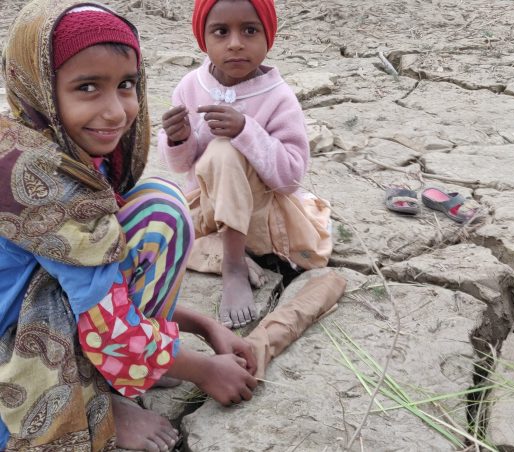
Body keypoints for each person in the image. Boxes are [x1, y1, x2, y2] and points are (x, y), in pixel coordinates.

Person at [0, 1, 258, 450]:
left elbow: (94, 282)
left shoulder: (53, 146)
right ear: (40, 86)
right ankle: (102, 398)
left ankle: (140, 363)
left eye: (125, 85)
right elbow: (104, 322)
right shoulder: (44, 181)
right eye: (87, 87)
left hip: (40, 310)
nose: (117, 111)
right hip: (15, 357)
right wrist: (203, 369)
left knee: (158, 207)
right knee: (159, 217)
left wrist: (199, 325)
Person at [159, 0, 332, 329]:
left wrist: (246, 131)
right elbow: (182, 166)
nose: (235, 43)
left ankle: (233, 266)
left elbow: (291, 177)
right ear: (203, 40)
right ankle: (220, 248)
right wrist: (178, 139)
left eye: (250, 30)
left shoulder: (278, 97)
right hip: (207, 207)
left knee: (224, 151)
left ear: (268, 37)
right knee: (153, 226)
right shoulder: (190, 87)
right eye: (221, 32)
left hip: (257, 213)